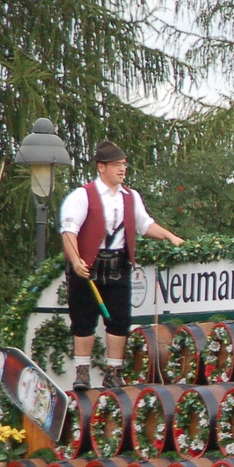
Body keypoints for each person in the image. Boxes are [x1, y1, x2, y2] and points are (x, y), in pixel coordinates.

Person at [59, 140, 184, 391]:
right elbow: (68, 231)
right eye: (117, 164)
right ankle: (82, 372)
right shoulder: (83, 195)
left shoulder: (130, 196)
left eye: (124, 164)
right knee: (83, 319)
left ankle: (113, 372)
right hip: (88, 266)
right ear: (101, 167)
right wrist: (76, 261)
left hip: (118, 264)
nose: (122, 169)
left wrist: (170, 236)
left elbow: (144, 224)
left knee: (119, 320)